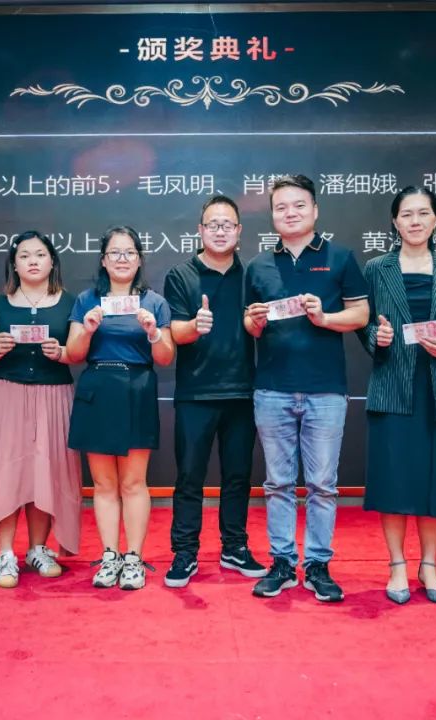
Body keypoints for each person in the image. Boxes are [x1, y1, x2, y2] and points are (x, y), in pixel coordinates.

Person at [244, 174, 370, 602]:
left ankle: (317, 565)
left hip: (325, 390)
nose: (290, 213)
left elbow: (360, 315)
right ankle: (282, 562)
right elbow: (248, 324)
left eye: (299, 205)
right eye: (281, 207)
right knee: (277, 483)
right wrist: (254, 321)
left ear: (315, 210)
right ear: (272, 215)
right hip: (272, 389)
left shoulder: (340, 257)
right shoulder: (259, 265)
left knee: (322, 484)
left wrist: (325, 318)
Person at [359, 186, 436, 606]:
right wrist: (377, 336)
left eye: (424, 213)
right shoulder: (376, 269)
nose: (415, 221)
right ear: (394, 221)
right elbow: (363, 323)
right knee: (394, 479)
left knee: (434, 480)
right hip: (393, 384)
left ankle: (429, 565)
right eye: (407, 214)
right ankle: (396, 565)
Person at [0, 230, 81, 588]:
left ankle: (38, 549)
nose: (33, 261)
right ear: (14, 265)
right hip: (6, 396)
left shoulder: (71, 303)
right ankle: (5, 553)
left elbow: (80, 351)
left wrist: (61, 353)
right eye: (25, 256)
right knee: (6, 473)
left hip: (54, 396)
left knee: (45, 472)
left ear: (52, 262)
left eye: (40, 255)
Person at [162, 195, 263, 588]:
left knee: (238, 476)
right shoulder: (181, 275)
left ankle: (234, 546)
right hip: (195, 393)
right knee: (190, 476)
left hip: (242, 392)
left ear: (239, 231)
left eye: (227, 225)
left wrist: (259, 323)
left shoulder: (252, 275)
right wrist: (195, 326)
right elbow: (175, 332)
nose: (220, 231)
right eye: (213, 224)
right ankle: (185, 552)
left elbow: (259, 326)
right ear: (200, 230)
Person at [66, 226, 175, 590]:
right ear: (103, 260)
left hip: (136, 388)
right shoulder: (87, 300)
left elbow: (166, 358)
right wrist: (87, 329)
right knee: (103, 483)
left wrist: (153, 333)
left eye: (129, 252)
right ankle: (110, 556)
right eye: (115, 253)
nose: (122, 259)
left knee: (133, 482)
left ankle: (133, 558)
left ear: (140, 259)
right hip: (97, 388)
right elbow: (74, 354)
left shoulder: (154, 302)